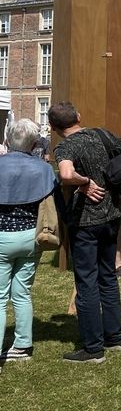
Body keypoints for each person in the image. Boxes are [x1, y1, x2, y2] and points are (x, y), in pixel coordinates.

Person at [49, 101, 121, 363]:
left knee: (86, 282)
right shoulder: (102, 134)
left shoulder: (65, 146)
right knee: (108, 277)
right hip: (111, 215)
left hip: (86, 223)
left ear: (54, 127)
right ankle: (115, 337)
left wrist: (84, 183)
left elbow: (66, 174)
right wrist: (115, 184)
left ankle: (93, 348)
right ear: (79, 116)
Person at [0, 119, 56, 363]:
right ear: (34, 143)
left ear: (7, 141)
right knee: (22, 293)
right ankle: (22, 345)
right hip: (32, 236)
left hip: (2, 236)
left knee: (0, 296)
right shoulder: (43, 169)